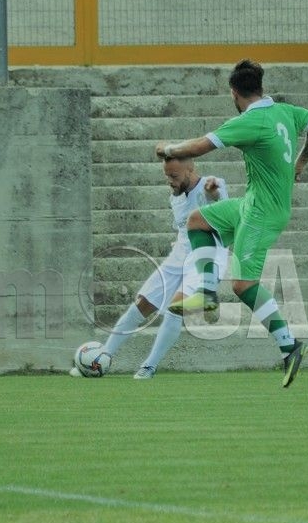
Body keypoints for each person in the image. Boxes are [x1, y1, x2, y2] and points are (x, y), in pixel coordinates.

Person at [154, 59, 308, 388]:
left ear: (234, 93)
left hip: (264, 212)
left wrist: (168, 148)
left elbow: (200, 147)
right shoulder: (286, 112)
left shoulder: (251, 121)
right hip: (252, 203)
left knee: (242, 285)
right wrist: (300, 162)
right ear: (259, 87)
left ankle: (291, 347)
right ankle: (206, 293)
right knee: (198, 219)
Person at [71, 157, 228, 379]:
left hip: (206, 256)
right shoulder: (175, 198)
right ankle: (102, 357)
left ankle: (149, 366)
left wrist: (214, 193)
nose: (169, 181)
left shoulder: (211, 185)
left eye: (174, 176)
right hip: (180, 255)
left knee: (175, 308)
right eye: (166, 176)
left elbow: (219, 202)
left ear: (190, 168)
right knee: (141, 304)